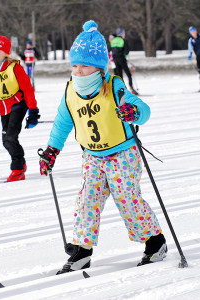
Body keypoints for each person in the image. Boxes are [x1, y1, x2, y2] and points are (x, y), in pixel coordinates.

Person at [39, 20, 167, 274]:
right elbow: (63, 123)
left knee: (127, 199)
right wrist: (52, 151)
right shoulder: (70, 92)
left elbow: (143, 110)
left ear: (98, 67)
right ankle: (82, 250)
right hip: (93, 156)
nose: (77, 71)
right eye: (74, 65)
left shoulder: (114, 85)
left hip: (122, 152)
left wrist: (133, 112)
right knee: (87, 200)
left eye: (84, 65)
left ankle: (155, 242)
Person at [0, 35, 40, 182]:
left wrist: (33, 111)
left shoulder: (15, 67)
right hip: (3, 108)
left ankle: (17, 169)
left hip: (18, 105)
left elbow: (28, 89)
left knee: (11, 137)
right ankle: (21, 163)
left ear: (6, 52)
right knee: (6, 140)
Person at [109, 27, 138, 95]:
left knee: (119, 75)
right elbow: (126, 52)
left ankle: (120, 90)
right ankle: (131, 88)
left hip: (115, 59)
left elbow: (110, 49)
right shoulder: (123, 41)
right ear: (122, 34)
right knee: (128, 74)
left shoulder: (113, 41)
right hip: (122, 58)